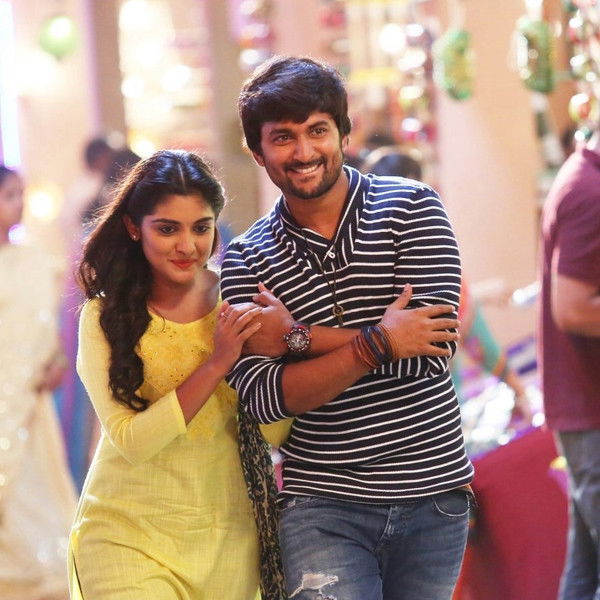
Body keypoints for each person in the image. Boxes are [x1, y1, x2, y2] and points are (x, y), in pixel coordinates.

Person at [220, 55, 474, 600]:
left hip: (433, 493)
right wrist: (382, 341)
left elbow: (431, 350)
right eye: (283, 137)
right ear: (256, 151)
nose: (304, 152)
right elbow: (264, 400)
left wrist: (297, 338)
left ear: (343, 131)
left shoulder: (413, 207)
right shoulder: (246, 258)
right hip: (321, 503)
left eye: (317, 130)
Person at [69, 150, 270, 599]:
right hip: (125, 535)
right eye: (167, 229)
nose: (187, 246)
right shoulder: (103, 316)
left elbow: (275, 432)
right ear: (133, 227)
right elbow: (131, 440)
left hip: (227, 539)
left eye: (201, 227)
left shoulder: (241, 303)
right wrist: (217, 363)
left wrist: (289, 343)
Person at [0, 165, 77, 600]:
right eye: (9, 195)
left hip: (30, 396)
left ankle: (39, 573)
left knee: (37, 484)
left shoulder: (35, 261)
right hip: (5, 391)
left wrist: (57, 359)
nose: (20, 203)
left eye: (20, 194)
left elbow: (48, 327)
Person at [539, 118, 600, 600]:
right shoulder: (589, 190)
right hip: (589, 407)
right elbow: (574, 308)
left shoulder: (583, 177)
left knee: (584, 574)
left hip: (585, 406)